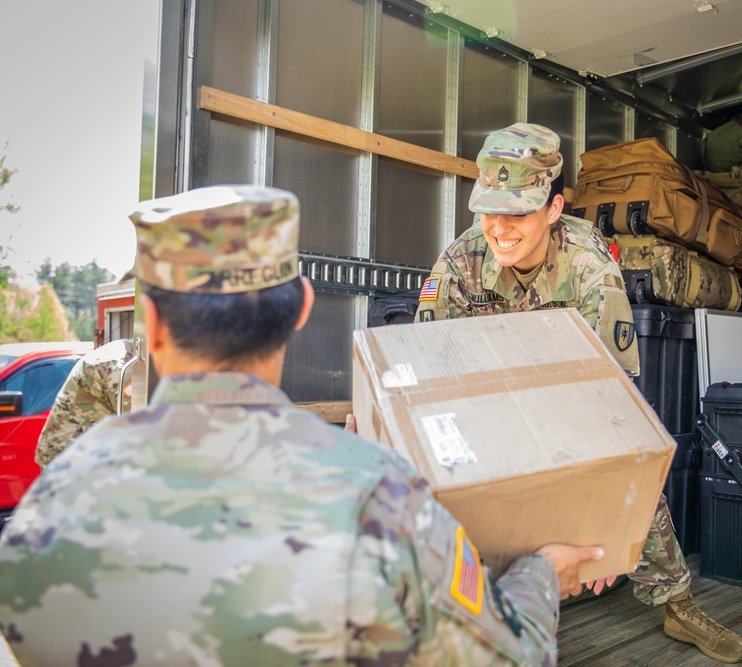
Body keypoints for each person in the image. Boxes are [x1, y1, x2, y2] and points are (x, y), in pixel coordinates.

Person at [0, 185, 604, 666]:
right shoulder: (379, 498)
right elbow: (507, 655)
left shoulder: (55, 502)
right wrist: (540, 572)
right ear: (301, 309)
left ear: (151, 322)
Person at [414, 123, 742, 664]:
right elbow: (424, 369)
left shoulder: (591, 269)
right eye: (487, 211)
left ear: (553, 208)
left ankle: (676, 600)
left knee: (634, 480)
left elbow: (610, 404)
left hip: (572, 401)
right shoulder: (460, 262)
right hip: (490, 401)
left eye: (517, 212)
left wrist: (599, 525)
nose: (498, 229)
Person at [34, 337, 134, 467]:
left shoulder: (128, 354)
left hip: (84, 457)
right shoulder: (116, 364)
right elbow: (139, 419)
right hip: (67, 461)